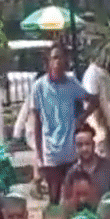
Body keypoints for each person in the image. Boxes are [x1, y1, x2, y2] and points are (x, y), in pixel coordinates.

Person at [32, 45, 95, 205]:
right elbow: (36, 122)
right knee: (54, 196)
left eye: (61, 58)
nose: (58, 62)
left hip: (70, 152)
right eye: (54, 58)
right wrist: (38, 155)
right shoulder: (39, 87)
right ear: (48, 62)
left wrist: (81, 118)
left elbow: (93, 100)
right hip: (51, 153)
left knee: (72, 195)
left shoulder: (71, 83)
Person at [82, 53, 110, 159]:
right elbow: (94, 105)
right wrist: (105, 131)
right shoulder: (92, 75)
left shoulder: (104, 73)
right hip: (101, 135)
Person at [67, 124, 110, 199]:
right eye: (80, 145)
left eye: (87, 144)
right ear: (75, 147)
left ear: (93, 144)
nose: (84, 149)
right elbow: (65, 202)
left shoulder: (109, 168)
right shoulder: (72, 173)